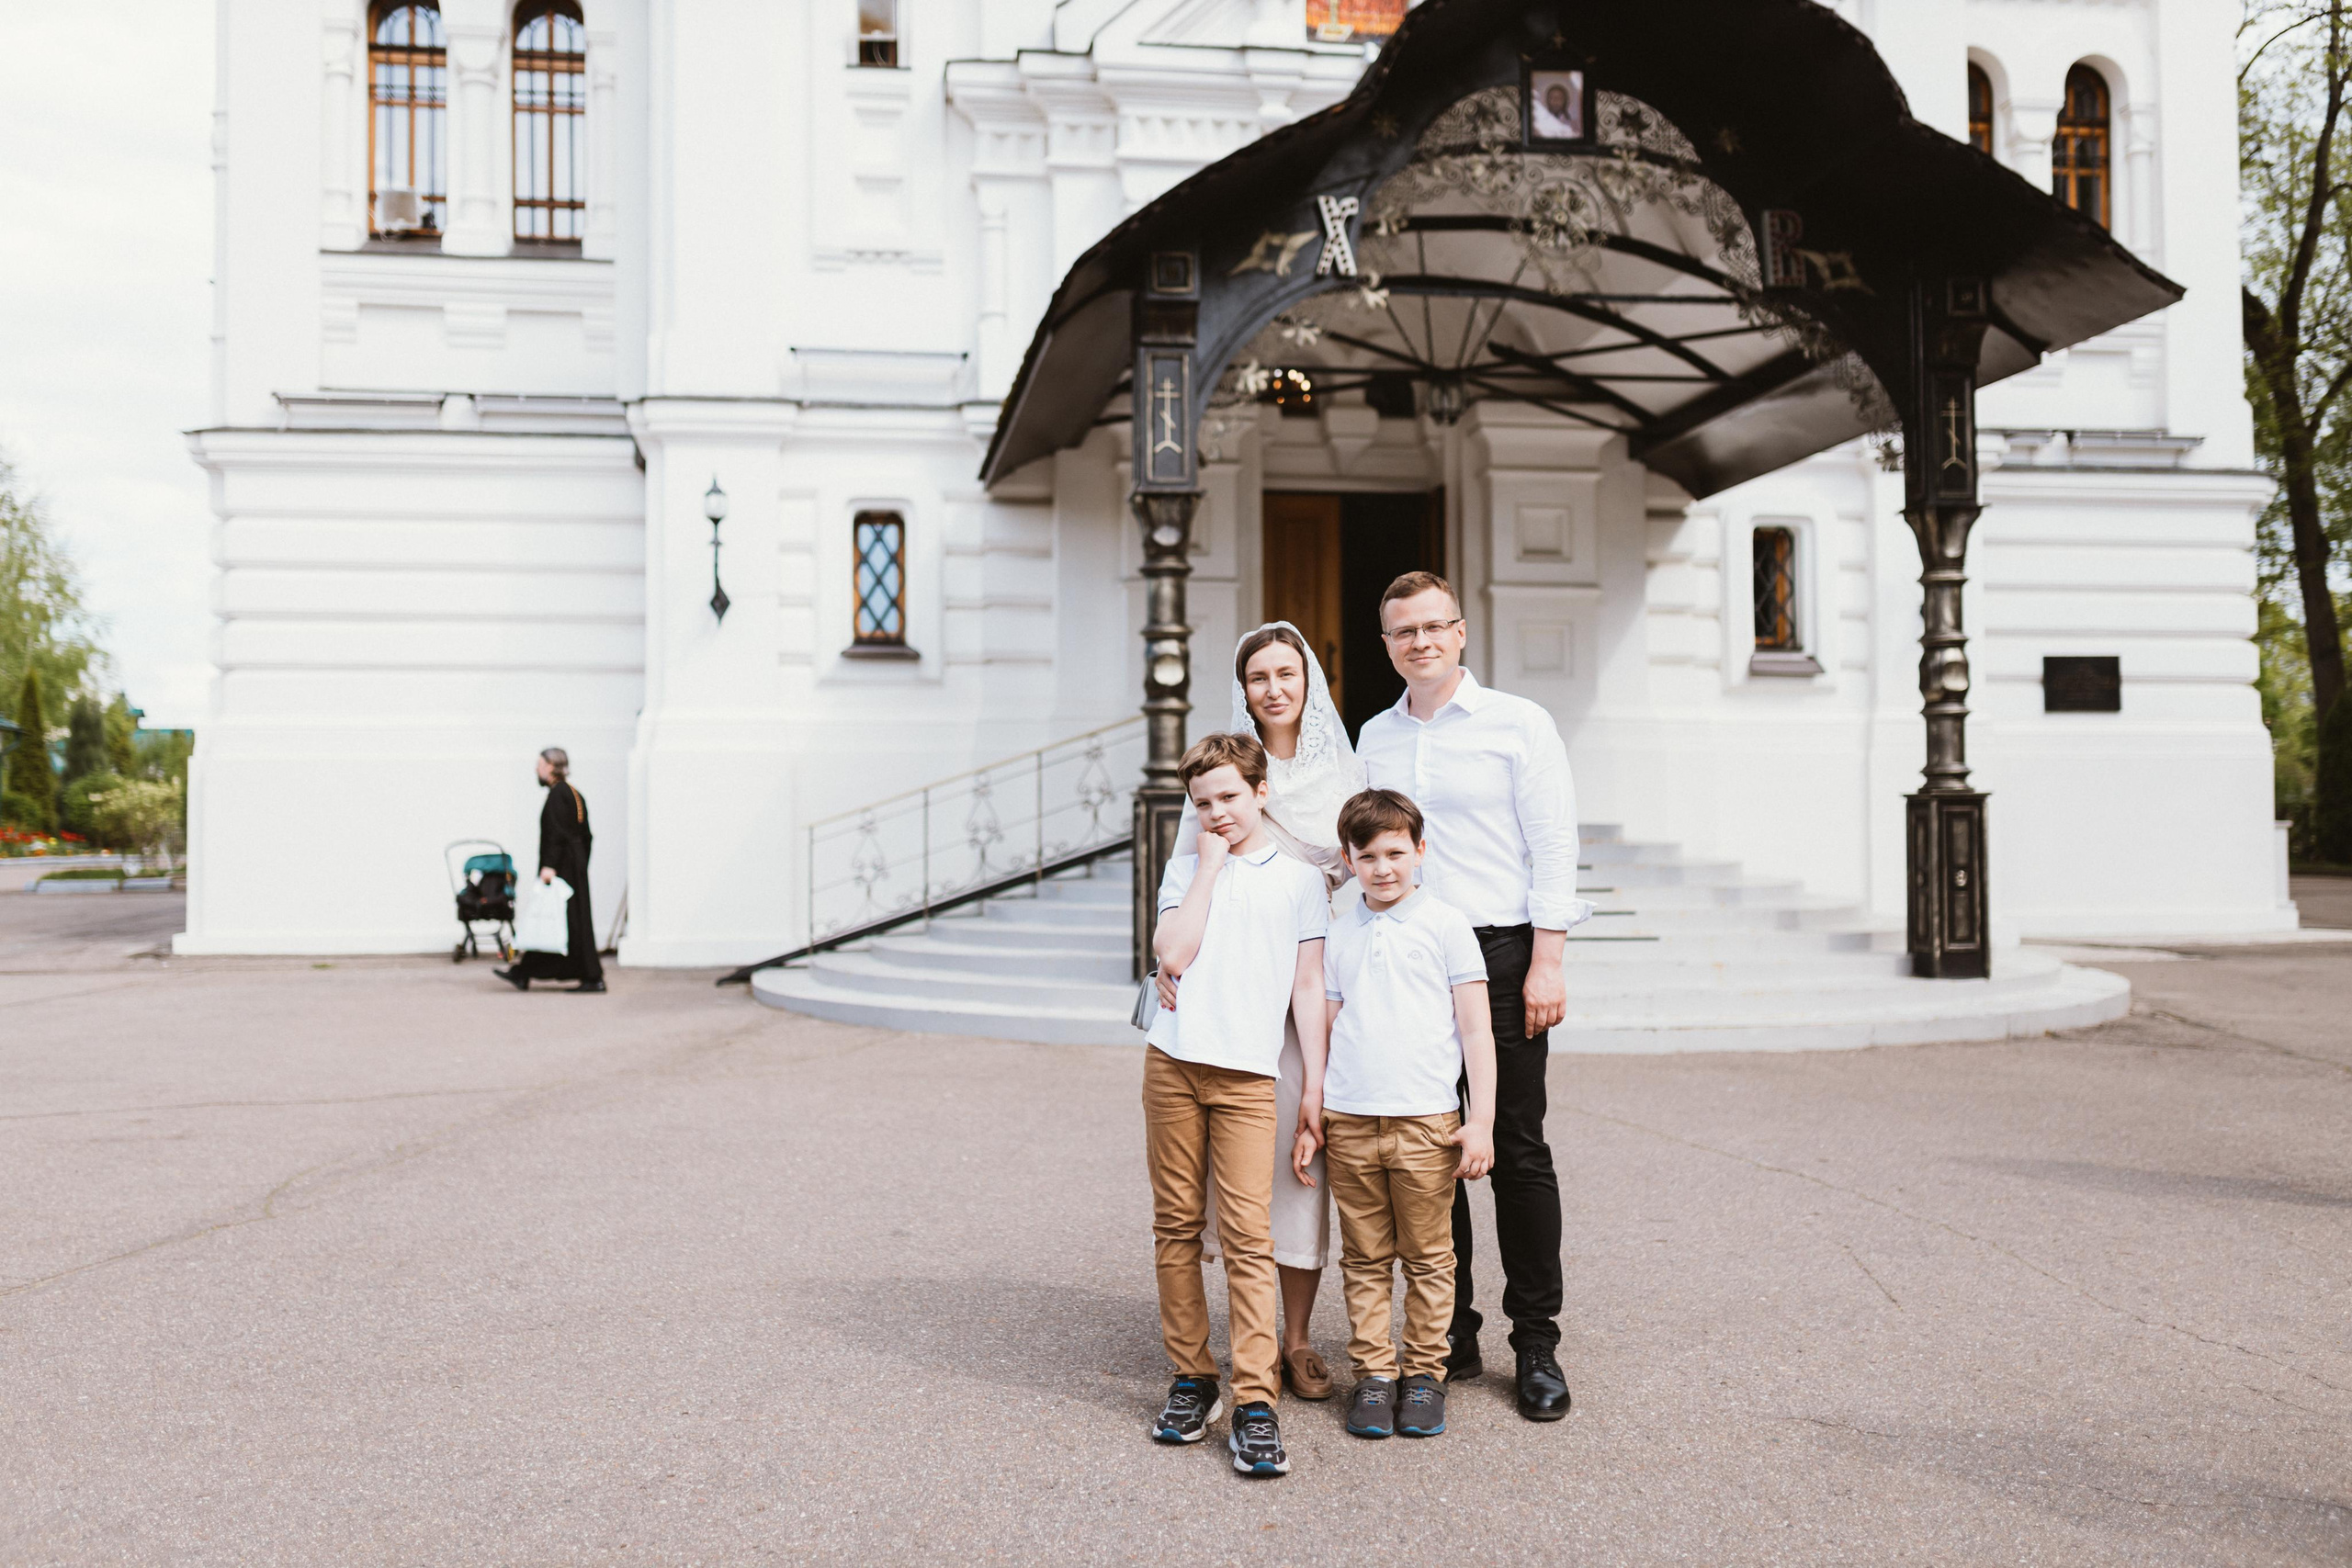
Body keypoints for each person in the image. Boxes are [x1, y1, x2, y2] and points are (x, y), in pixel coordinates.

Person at [1356, 571, 1590, 1422]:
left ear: (1460, 633)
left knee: (1517, 1146)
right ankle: (1450, 1330)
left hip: (1500, 949)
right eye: (1401, 631)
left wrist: (1548, 959)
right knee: (1428, 1146)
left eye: (1432, 626)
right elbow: (1362, 847)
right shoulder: (1374, 736)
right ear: (1387, 645)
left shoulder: (1518, 724)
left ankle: (1537, 1341)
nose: (1418, 641)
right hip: (1411, 954)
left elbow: (1553, 842)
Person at [1163, 622, 1366, 1402]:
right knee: (1230, 1175)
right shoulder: (1225, 771)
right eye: (1258, 677)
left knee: (1299, 1161)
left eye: (1287, 673)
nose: (1274, 689)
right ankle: (1231, 1334)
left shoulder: (1345, 773)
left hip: (1314, 976)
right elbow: (1190, 867)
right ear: (1243, 689)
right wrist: (1167, 958)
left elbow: (1369, 868)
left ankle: (1295, 1337)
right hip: (1235, 987)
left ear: (1308, 681)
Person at [1144, 731, 1331, 1478]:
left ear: (1261, 791)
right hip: (1173, 1065)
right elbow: (1174, 954)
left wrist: (1314, 1087)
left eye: (1229, 796)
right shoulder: (1189, 865)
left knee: (1250, 1236)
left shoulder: (1298, 881)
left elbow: (1308, 988)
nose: (1217, 811)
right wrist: (1209, 869)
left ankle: (1257, 1400)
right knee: (1177, 1224)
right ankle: (1194, 1377)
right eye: (1203, 802)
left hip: (1250, 1077)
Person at [1295, 787, 1496, 1441]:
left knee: (1431, 1257)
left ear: (1419, 851)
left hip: (1425, 1121)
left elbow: (1475, 1029)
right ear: (1349, 860)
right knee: (1366, 1256)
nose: (1382, 867)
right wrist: (1315, 1103)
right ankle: (1375, 1375)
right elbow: (1323, 1020)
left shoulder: (1445, 924)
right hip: (1352, 1117)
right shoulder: (1339, 924)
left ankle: (1424, 1376)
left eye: (1395, 852)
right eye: (1367, 855)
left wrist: (1482, 1118)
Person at [495, 747, 605, 994]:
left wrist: (550, 866)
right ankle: (524, 972)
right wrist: (581, 864)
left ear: (552, 767)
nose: (536, 769)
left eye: (540, 764)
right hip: (573, 867)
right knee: (564, 921)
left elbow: (556, 834)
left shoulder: (558, 795)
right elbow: (586, 836)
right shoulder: (574, 794)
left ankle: (591, 976)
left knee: (561, 921)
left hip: (562, 869)